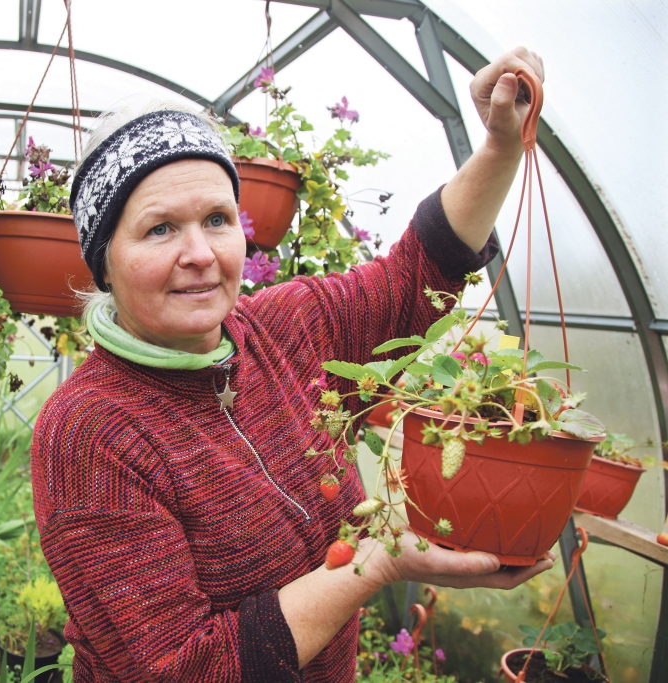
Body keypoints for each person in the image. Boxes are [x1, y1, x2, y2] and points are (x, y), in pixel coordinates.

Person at [32, 47, 551, 682]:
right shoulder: (89, 431)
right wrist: (376, 563)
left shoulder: (288, 330)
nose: (200, 252)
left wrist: (501, 147)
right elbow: (179, 669)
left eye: (217, 219)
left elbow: (413, 278)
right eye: (160, 229)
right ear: (103, 259)